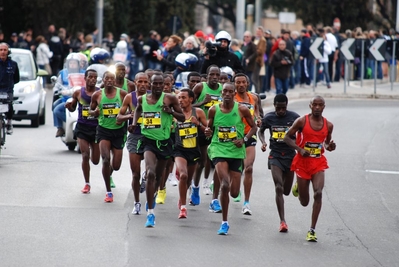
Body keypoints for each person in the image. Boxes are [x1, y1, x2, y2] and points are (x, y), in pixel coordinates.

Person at [131, 73, 184, 227]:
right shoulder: (142, 99)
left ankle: (152, 195)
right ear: (150, 85)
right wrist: (135, 123)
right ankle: (150, 214)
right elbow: (138, 110)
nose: (158, 86)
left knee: (159, 176)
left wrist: (171, 112)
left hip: (165, 142)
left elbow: (182, 117)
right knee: (151, 173)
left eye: (161, 84)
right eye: (155, 83)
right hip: (148, 141)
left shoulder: (170, 99)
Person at [205, 82, 257, 235]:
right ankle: (224, 222)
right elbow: (210, 128)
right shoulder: (213, 110)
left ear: (234, 93)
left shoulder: (242, 109)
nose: (227, 94)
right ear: (222, 94)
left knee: (234, 193)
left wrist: (245, 139)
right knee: (225, 185)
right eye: (225, 92)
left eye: (230, 92)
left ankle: (233, 188)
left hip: (235, 151)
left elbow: (254, 127)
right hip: (218, 149)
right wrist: (208, 131)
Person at [283, 96, 336, 242]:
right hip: (302, 163)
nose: (317, 107)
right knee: (304, 202)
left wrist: (329, 147)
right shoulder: (302, 121)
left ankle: (312, 230)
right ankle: (299, 188)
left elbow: (325, 143)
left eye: (320, 105)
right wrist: (299, 149)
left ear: (324, 107)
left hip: (318, 163)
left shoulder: (328, 125)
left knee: (318, 193)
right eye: (315, 105)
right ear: (310, 106)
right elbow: (287, 138)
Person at [258, 94, 300, 232]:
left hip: (290, 156)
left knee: (287, 191)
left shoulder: (294, 117)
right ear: (274, 106)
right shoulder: (269, 117)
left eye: (283, 108)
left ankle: (296, 185)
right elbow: (261, 130)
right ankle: (282, 221)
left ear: (286, 106)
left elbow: (303, 132)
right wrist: (263, 142)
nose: (281, 111)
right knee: (278, 187)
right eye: (278, 108)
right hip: (275, 155)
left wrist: (300, 146)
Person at [89, 71, 128, 203]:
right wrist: (95, 112)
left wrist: (125, 116)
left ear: (115, 81)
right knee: (105, 159)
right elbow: (90, 110)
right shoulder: (97, 94)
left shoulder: (122, 94)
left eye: (112, 79)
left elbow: (129, 109)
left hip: (118, 131)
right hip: (103, 130)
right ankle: (108, 191)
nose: (110, 81)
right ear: (104, 81)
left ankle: (109, 173)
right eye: (107, 79)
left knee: (115, 166)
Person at [116, 72, 150, 215]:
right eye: (139, 82)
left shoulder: (154, 97)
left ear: (149, 84)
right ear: (134, 83)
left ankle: (146, 178)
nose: (142, 84)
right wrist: (128, 116)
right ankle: (137, 203)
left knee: (151, 172)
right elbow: (118, 117)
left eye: (145, 82)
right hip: (135, 137)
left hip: (150, 137)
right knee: (135, 173)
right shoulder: (130, 97)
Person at [65, 69, 100, 193]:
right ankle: (87, 183)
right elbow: (73, 108)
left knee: (95, 160)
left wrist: (97, 112)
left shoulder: (100, 93)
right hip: (82, 127)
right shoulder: (78, 93)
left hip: (96, 128)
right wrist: (70, 106)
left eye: (95, 77)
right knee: (85, 155)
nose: (93, 79)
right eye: (90, 77)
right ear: (85, 78)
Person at [175, 88, 207, 219]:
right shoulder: (176, 113)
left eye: (183, 97)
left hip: (194, 150)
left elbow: (208, 130)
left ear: (191, 99)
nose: (180, 100)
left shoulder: (198, 112)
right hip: (179, 149)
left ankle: (182, 195)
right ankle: (183, 207)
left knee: (188, 180)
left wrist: (198, 124)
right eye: (179, 98)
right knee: (183, 175)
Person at [192, 65, 223, 201]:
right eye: (212, 74)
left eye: (217, 75)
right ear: (207, 75)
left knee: (215, 160)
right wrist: (203, 102)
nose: (215, 77)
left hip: (217, 129)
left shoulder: (223, 90)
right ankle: (195, 186)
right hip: (200, 127)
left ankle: (207, 184)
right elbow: (187, 106)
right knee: (202, 161)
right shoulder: (200, 87)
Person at [233, 74, 261, 215]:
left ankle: (247, 203)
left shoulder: (253, 98)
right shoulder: (231, 98)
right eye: (238, 82)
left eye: (243, 82)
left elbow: (256, 112)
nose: (241, 85)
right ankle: (233, 187)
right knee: (236, 169)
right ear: (234, 84)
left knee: (248, 168)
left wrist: (258, 118)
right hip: (234, 137)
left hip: (249, 134)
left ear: (248, 83)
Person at [0, 42, 20, 134]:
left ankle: (9, 123)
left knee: (9, 105)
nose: (3, 52)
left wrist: (9, 85)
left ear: (8, 51)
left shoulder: (13, 64)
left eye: (5, 50)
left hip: (8, 91)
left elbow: (16, 79)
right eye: (1, 50)